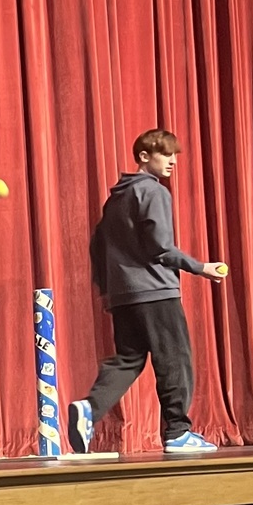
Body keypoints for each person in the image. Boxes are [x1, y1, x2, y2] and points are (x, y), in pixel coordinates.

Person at [67, 128, 226, 456]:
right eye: (165, 154)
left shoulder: (116, 198)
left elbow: (98, 246)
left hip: (125, 296)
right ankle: (179, 431)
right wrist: (200, 267)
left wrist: (110, 290)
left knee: (129, 358)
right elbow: (160, 248)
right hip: (156, 291)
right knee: (175, 357)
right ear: (143, 156)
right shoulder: (153, 192)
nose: (171, 161)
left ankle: (90, 409)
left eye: (174, 155)